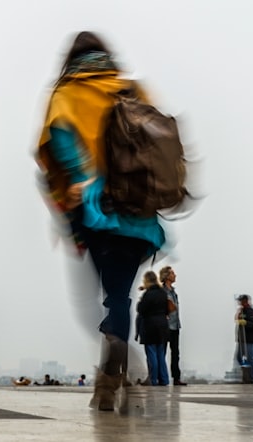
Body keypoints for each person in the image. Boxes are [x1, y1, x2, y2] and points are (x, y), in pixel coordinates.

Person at [36, 32, 168, 412]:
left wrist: (80, 180)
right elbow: (159, 140)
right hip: (140, 213)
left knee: (92, 301)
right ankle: (119, 363)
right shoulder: (131, 89)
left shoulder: (67, 93)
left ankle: (112, 363)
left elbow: (55, 144)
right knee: (119, 296)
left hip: (96, 211)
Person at [136, 270, 170, 386]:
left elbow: (141, 310)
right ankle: (164, 379)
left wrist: (140, 302)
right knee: (161, 354)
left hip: (150, 326)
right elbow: (167, 309)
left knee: (151, 353)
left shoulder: (148, 294)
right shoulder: (163, 293)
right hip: (162, 325)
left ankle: (153, 379)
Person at [159, 266, 187, 386]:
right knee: (162, 351)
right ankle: (162, 377)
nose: (175, 275)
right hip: (166, 326)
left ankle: (176, 377)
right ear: (166, 276)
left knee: (175, 352)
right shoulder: (162, 292)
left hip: (175, 325)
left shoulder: (173, 292)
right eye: (172, 273)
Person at [235, 294, 253, 384]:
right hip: (242, 339)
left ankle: (250, 378)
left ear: (245, 301)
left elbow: (252, 325)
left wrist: (245, 322)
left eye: (241, 301)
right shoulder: (242, 311)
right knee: (239, 357)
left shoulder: (249, 311)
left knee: (249, 359)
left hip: (249, 340)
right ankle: (246, 376)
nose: (239, 302)